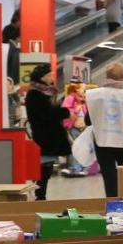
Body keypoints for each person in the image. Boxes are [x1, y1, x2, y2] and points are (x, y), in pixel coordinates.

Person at [85, 63, 123, 197]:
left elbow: (88, 121)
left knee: (109, 179)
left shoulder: (95, 95)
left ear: (106, 76)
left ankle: (112, 208)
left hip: (102, 142)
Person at [23, 64, 71, 200]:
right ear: (42, 78)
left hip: (49, 138)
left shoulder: (44, 93)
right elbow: (47, 114)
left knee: (47, 168)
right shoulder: (34, 94)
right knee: (43, 170)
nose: (52, 77)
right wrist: (65, 112)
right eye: (49, 75)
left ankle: (41, 195)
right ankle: (40, 197)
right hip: (44, 138)